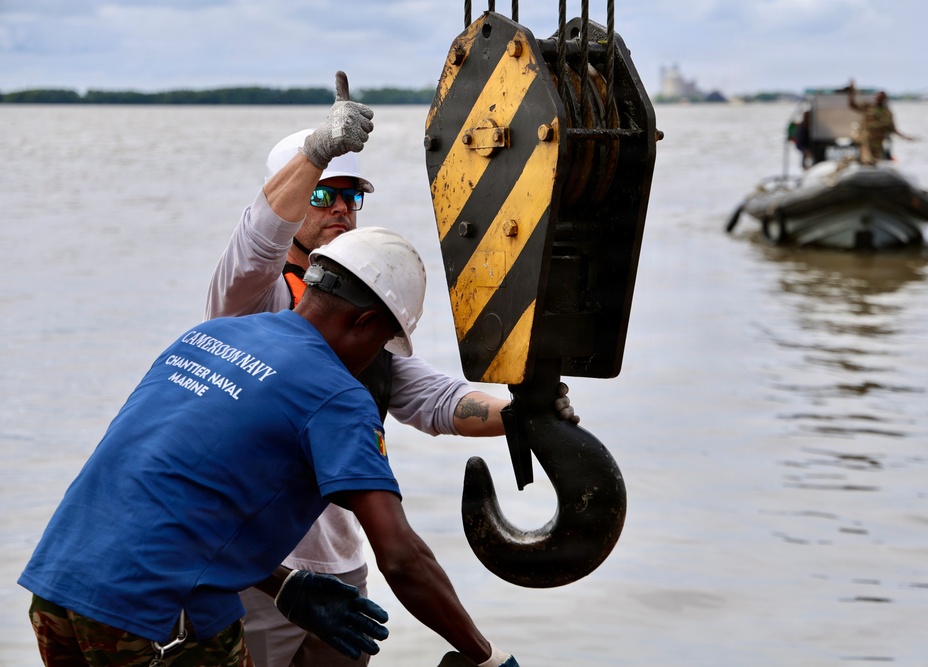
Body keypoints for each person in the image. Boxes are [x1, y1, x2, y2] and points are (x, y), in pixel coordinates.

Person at [19, 228, 521, 667]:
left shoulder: (208, 337)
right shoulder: (337, 396)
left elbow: (171, 507)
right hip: (156, 616)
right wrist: (484, 656)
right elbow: (402, 559)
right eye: (384, 341)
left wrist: (283, 584)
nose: (377, 359)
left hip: (57, 590)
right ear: (366, 324)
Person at [206, 71, 572, 666]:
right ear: (289, 194)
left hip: (342, 563)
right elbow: (256, 245)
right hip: (257, 571)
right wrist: (316, 151)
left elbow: (429, 397)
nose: (343, 208)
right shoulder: (250, 302)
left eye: (354, 196)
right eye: (324, 194)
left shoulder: (363, 314)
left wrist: (527, 415)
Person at [847, 80, 916, 164]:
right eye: (878, 96)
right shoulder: (868, 107)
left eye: (881, 97)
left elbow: (892, 129)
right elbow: (852, 105)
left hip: (878, 143)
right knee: (866, 160)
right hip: (866, 140)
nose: (879, 98)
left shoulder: (887, 113)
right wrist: (851, 92)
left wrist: (905, 137)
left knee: (875, 162)